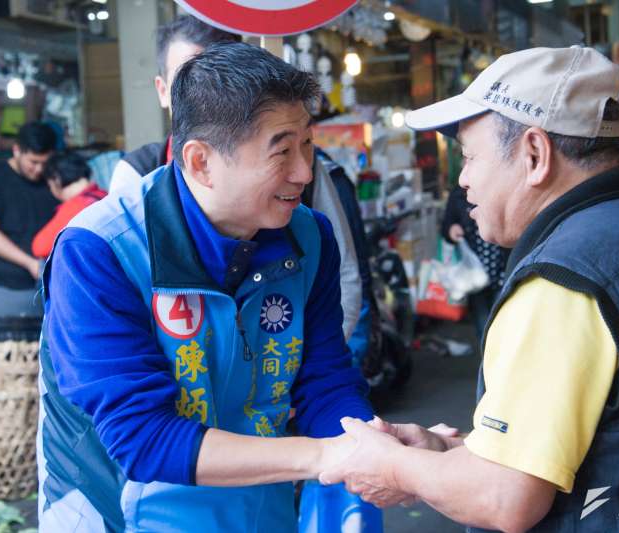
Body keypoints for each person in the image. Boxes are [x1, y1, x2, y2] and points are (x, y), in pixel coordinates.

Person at [320, 46, 619, 532]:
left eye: (470, 158)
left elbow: (503, 497)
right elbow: (599, 444)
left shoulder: (564, 278)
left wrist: (388, 464)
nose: (464, 181)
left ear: (535, 154)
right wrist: (448, 454)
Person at [37, 42, 371, 532]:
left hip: (257, 508)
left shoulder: (310, 236)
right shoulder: (99, 250)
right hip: (121, 515)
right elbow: (142, 437)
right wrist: (326, 455)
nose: (304, 171)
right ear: (200, 162)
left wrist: (371, 444)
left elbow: (325, 380)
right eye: (282, 150)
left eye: (307, 144)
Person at [109, 14, 362, 341]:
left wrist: (292, 376)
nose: (302, 172)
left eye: (225, 71)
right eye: (189, 74)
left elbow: (343, 287)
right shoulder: (107, 239)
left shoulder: (311, 230)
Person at [0, 122, 58, 315]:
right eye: (33, 162)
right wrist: (29, 263)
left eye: (45, 163)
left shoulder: (53, 179)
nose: (38, 169)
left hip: (48, 288)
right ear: (17, 150)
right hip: (4, 289)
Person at [441, 183, 509, 339]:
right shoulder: (458, 194)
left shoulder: (500, 187)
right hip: (474, 272)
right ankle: (486, 358)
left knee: (502, 318)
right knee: (482, 319)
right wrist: (451, 229)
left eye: (472, 158)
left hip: (501, 267)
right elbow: (446, 224)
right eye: (466, 160)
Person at [31, 152, 107, 259]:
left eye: (49, 185)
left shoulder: (77, 205)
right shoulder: (104, 195)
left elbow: (40, 248)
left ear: (56, 179)